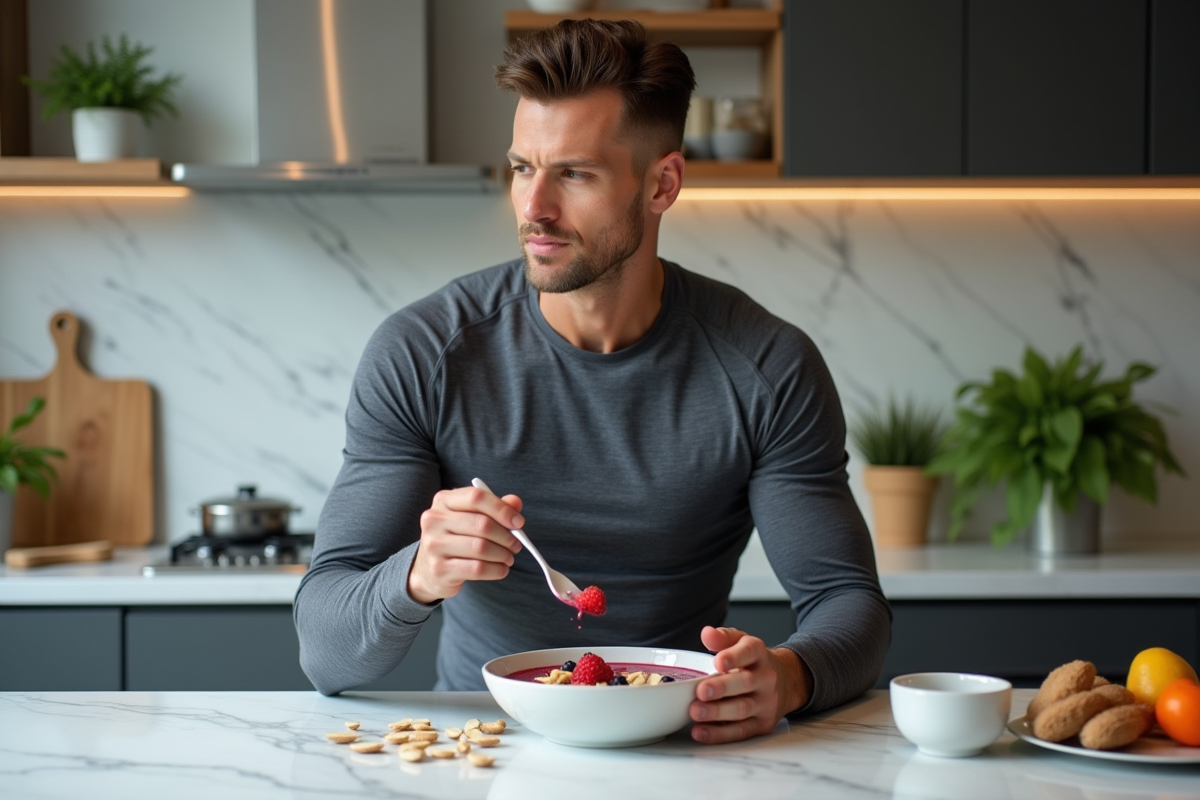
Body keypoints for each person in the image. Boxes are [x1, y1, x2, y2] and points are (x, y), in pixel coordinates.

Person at [295, 18, 891, 745]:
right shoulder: (423, 353)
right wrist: (417, 574)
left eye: (574, 174)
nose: (533, 208)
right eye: (522, 168)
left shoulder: (767, 367)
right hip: (484, 749)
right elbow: (324, 653)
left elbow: (848, 604)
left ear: (662, 184)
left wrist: (791, 675)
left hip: (683, 746)